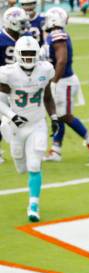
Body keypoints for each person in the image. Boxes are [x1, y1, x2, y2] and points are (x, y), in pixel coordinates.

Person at [0, 36, 59, 222]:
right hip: (17, 127)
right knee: (21, 167)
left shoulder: (45, 70)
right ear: (17, 54)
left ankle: (33, 205)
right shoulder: (8, 73)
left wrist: (54, 117)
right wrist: (11, 117)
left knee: (34, 165)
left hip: (37, 123)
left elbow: (48, 96)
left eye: (31, 54)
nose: (28, 57)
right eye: (24, 54)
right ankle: (31, 192)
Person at [43, 7, 89, 163]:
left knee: (64, 116)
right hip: (59, 80)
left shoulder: (58, 35)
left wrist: (54, 81)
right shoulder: (53, 35)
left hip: (64, 81)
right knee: (57, 114)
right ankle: (56, 150)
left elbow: (62, 60)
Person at [0, 6, 30, 165]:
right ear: (11, 23)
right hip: (2, 86)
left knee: (24, 117)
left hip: (20, 86)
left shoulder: (24, 38)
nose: (25, 26)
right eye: (21, 22)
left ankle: (24, 148)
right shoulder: (1, 39)